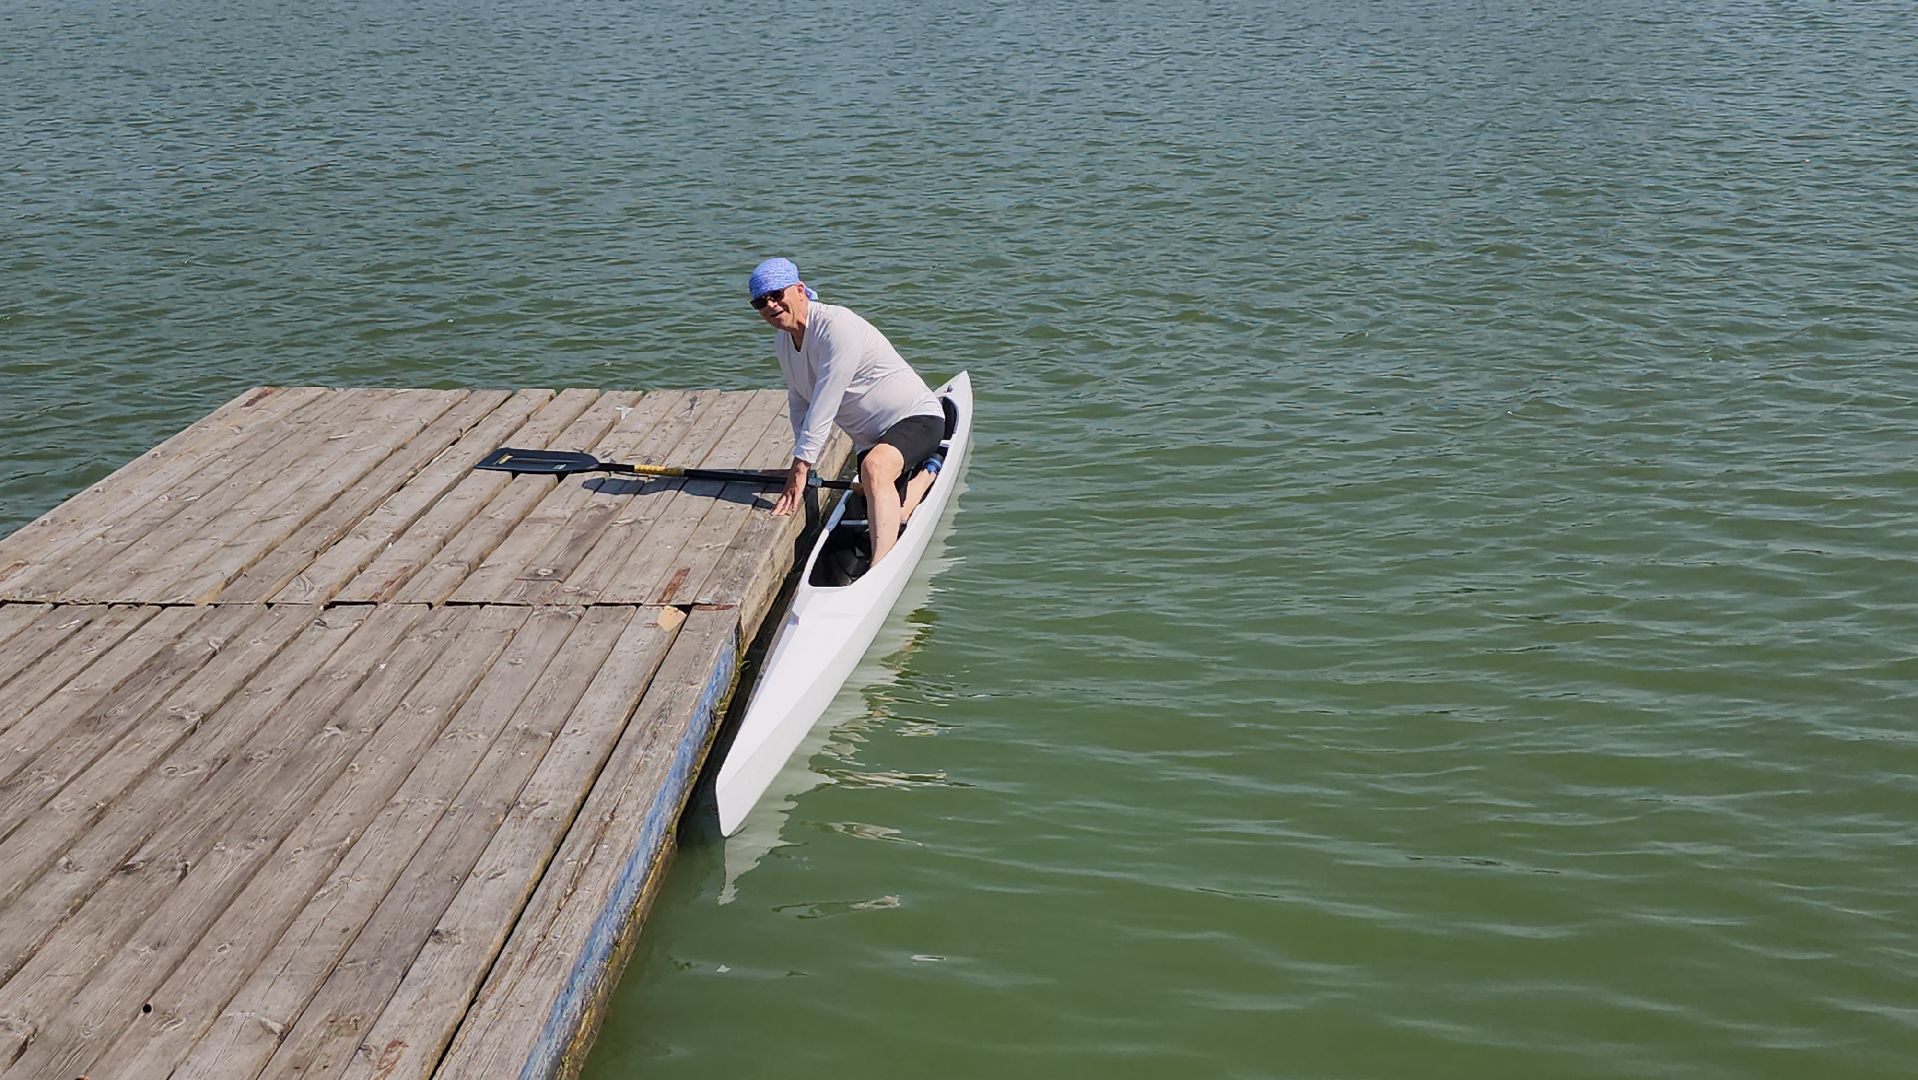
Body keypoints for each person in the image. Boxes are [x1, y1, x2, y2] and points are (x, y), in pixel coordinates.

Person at [748, 257, 944, 567]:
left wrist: (801, 468)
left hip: (916, 418)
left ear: (799, 290)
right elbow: (800, 402)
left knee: (876, 470)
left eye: (776, 295)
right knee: (885, 499)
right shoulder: (783, 344)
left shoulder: (837, 327)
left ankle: (879, 568)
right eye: (760, 301)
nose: (770, 305)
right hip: (871, 440)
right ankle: (926, 475)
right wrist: (802, 467)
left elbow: (826, 401)